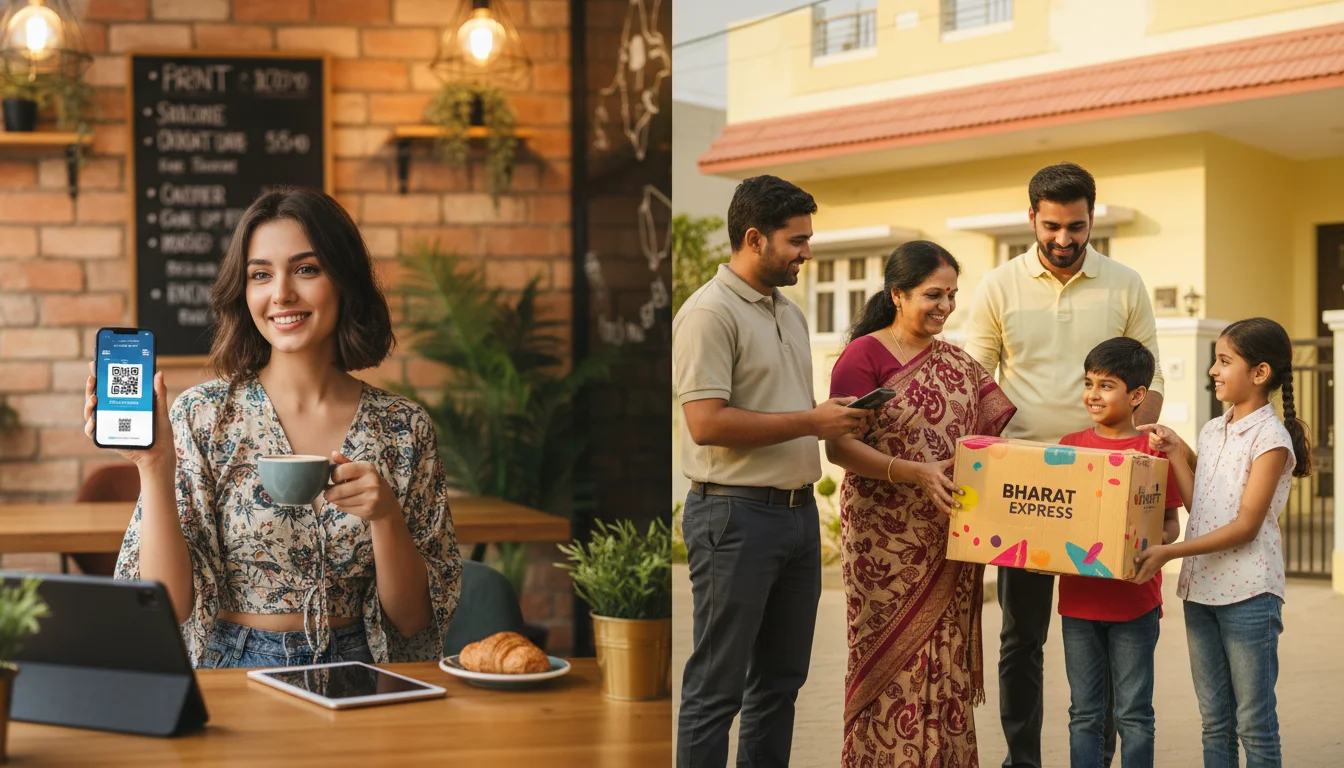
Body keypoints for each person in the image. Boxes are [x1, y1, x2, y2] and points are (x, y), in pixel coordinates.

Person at [85, 187, 462, 669]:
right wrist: (155, 466)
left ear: (343, 280)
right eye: (260, 275)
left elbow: (413, 622)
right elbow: (169, 607)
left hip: (359, 667)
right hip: (235, 667)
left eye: (306, 269)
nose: (281, 293)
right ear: (243, 292)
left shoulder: (403, 428)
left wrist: (386, 516)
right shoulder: (203, 415)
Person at [963, 161, 1165, 768]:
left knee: (1100, 634)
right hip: (1024, 483)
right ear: (1031, 218)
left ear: (1091, 219)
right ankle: (1022, 757)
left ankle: (1094, 755)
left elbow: (1146, 387)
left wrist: (1131, 454)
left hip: (1103, 482)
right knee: (1021, 637)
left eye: (1075, 226)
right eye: (1051, 226)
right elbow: (978, 384)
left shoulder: (1125, 282)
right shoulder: (997, 285)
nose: (1063, 239)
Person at [674, 175, 870, 768]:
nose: (808, 252)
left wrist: (827, 421)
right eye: (797, 240)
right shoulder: (708, 313)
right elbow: (706, 424)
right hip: (733, 516)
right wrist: (813, 421)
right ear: (754, 238)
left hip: (794, 517)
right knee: (717, 688)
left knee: (779, 685)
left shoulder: (789, 312)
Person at [825, 241, 1016, 766]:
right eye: (934, 294)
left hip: (948, 535)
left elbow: (989, 446)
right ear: (897, 294)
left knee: (945, 658)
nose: (946, 306)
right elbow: (839, 446)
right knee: (888, 656)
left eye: (952, 295)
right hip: (882, 542)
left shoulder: (958, 363)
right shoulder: (863, 356)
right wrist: (914, 473)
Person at [1134, 317, 1309, 767]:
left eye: (1225, 360)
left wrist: (1169, 553)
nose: (1213, 369)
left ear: (1260, 373)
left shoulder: (1272, 439)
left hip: (1250, 595)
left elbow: (1246, 526)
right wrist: (1176, 451)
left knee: (1254, 724)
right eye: (1215, 359)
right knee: (1214, 722)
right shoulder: (1214, 431)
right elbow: (1203, 509)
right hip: (1202, 592)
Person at [1056, 338, 1182, 768]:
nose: (1093, 394)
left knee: (1134, 715)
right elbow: (1055, 521)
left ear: (1137, 397)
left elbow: (1170, 524)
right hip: (1078, 604)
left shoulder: (1153, 451)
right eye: (1089, 383)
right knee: (1084, 714)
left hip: (1135, 605)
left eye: (1106, 385)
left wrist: (1155, 553)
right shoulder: (1069, 445)